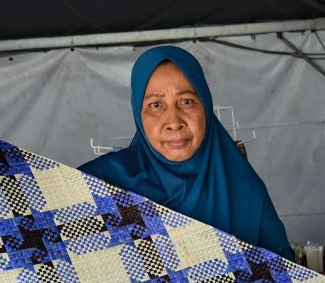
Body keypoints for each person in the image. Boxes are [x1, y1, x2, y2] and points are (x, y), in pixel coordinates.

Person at [81, 45, 293, 259]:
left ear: (206, 107)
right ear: (138, 113)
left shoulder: (244, 190)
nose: (174, 122)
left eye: (186, 101)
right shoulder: (99, 185)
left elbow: (289, 282)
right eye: (156, 105)